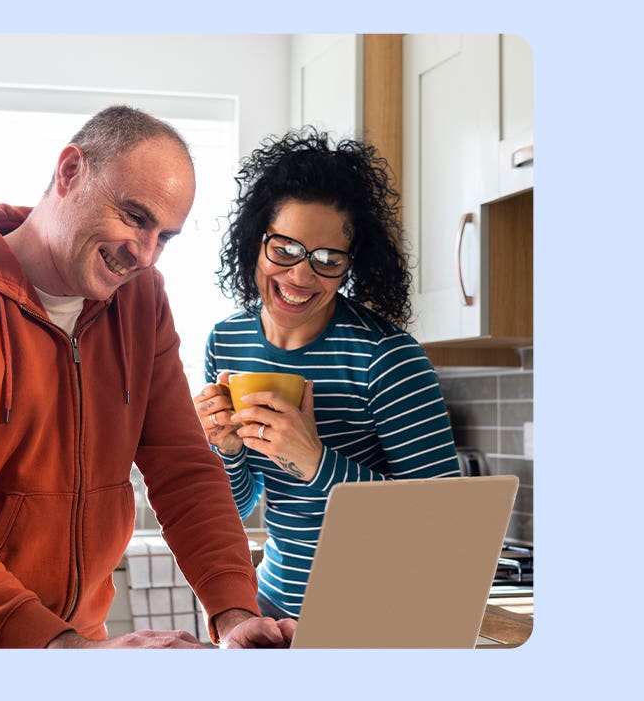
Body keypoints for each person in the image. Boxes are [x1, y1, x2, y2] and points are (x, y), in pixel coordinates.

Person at [0, 105, 295, 648]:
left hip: (77, 641)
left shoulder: (141, 300)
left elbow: (183, 468)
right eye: (135, 217)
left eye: (165, 236)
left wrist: (236, 614)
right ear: (70, 172)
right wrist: (70, 654)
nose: (143, 254)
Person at [193, 128, 463, 621]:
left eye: (326, 259)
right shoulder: (226, 342)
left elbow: (444, 527)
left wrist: (316, 461)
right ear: (257, 241)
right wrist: (227, 451)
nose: (300, 276)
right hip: (270, 602)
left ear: (349, 266)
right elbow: (240, 502)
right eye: (285, 248)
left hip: (371, 614)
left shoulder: (387, 357)